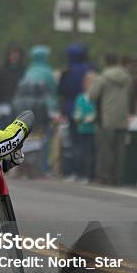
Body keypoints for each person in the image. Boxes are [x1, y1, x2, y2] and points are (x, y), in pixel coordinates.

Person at [89, 52, 135, 185]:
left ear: (105, 61)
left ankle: (104, 177)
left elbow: (92, 95)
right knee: (120, 150)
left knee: (105, 149)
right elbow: (131, 96)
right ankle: (118, 178)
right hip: (122, 118)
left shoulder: (103, 77)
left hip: (106, 118)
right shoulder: (128, 78)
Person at [58, 43, 94, 179]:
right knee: (88, 144)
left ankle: (75, 171)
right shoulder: (90, 69)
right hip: (90, 108)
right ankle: (88, 172)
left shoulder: (68, 72)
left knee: (74, 142)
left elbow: (61, 90)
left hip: (71, 109)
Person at [22, 45, 58, 173]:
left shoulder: (29, 71)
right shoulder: (47, 71)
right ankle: (43, 166)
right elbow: (53, 90)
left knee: (29, 137)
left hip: (28, 107)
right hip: (45, 107)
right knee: (45, 137)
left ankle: (28, 165)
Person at [0, 44, 26, 128]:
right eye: (12, 54)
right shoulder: (1, 69)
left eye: (16, 54)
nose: (14, 56)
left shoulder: (24, 70)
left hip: (19, 103)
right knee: (4, 126)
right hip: (4, 103)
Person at [73, 73, 97, 183]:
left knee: (89, 154)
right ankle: (79, 173)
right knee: (80, 153)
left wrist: (94, 116)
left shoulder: (96, 99)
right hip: (81, 128)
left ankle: (88, 175)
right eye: (89, 82)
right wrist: (77, 116)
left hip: (92, 129)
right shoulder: (80, 97)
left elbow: (98, 111)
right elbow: (76, 111)